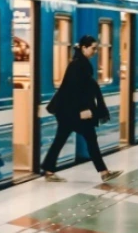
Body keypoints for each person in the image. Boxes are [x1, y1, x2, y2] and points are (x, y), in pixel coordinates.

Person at [41, 35, 122, 183]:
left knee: (62, 139)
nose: (95, 51)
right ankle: (104, 172)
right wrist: (83, 109)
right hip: (74, 112)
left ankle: (48, 169)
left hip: (67, 111)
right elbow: (75, 90)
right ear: (84, 48)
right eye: (93, 48)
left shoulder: (79, 63)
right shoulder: (79, 65)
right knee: (90, 140)